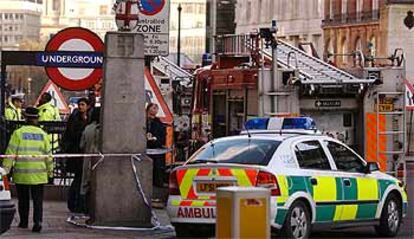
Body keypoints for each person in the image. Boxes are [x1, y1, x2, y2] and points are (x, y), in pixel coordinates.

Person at [2, 107, 53, 233]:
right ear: (37, 119)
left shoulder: (18, 133)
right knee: (38, 200)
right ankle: (38, 222)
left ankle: (24, 222)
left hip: (22, 174)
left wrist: (5, 171)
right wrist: (50, 172)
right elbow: (49, 156)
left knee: (23, 199)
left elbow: (10, 153)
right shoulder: (43, 135)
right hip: (39, 174)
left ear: (25, 118)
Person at [61, 97, 91, 213]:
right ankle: (74, 203)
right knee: (78, 179)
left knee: (79, 179)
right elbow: (72, 134)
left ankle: (77, 203)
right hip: (76, 153)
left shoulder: (87, 117)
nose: (80, 107)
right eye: (80, 104)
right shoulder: (74, 118)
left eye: (83, 104)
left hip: (83, 153)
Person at [79, 107, 101, 215]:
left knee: (85, 183)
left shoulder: (87, 128)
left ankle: (85, 208)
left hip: (87, 158)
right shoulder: (102, 130)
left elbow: (81, 144)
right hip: (99, 159)